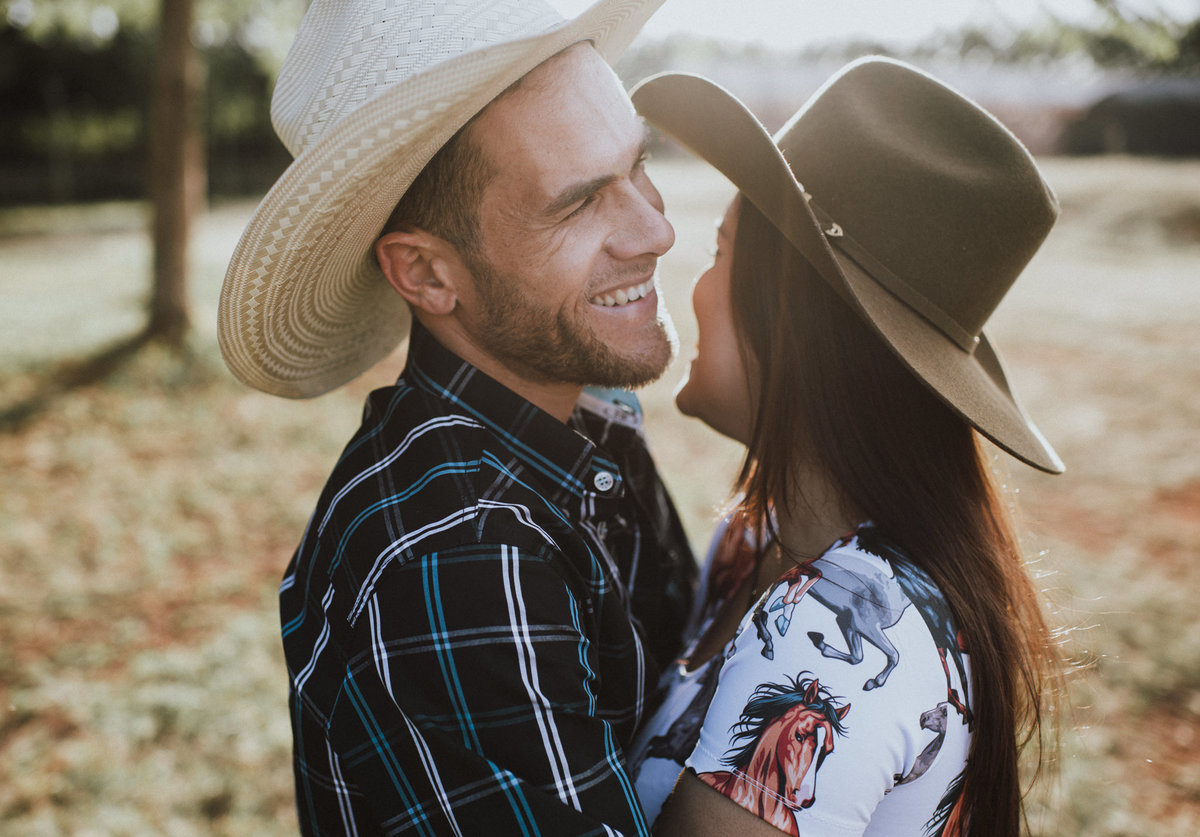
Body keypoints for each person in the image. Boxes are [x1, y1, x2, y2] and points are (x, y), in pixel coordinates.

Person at [217, 1, 697, 833]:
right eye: (579, 203)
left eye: (639, 165)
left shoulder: (595, 416)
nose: (656, 227)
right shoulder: (463, 556)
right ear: (430, 275)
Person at [624, 58, 1065, 835]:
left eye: (719, 253)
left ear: (789, 318)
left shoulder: (827, 637)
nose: (689, 278)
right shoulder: (751, 537)